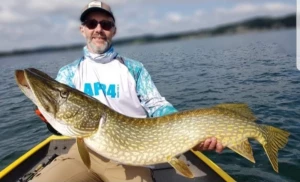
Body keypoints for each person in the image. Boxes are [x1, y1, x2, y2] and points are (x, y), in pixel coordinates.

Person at [31, 1, 224, 182]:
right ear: (83, 30)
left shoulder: (134, 69)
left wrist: (189, 134)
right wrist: (50, 121)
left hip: (133, 159)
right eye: (92, 23)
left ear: (113, 30)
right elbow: (64, 122)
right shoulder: (68, 73)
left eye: (106, 24)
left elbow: (157, 105)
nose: (99, 29)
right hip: (83, 152)